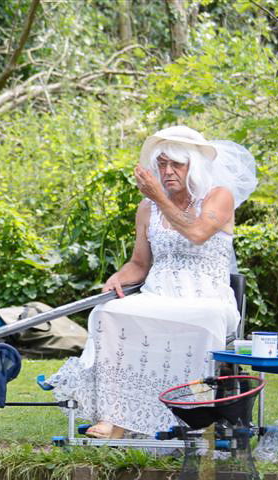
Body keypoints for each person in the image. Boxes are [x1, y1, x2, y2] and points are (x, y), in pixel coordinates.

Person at [49, 125, 257, 438]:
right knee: (106, 314)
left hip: (207, 300)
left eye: (176, 164)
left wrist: (159, 196)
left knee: (204, 320)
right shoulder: (147, 208)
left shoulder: (218, 197)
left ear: (194, 166)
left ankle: (190, 415)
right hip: (159, 294)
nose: (168, 171)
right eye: (162, 164)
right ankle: (114, 417)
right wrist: (119, 276)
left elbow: (197, 232)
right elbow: (139, 264)